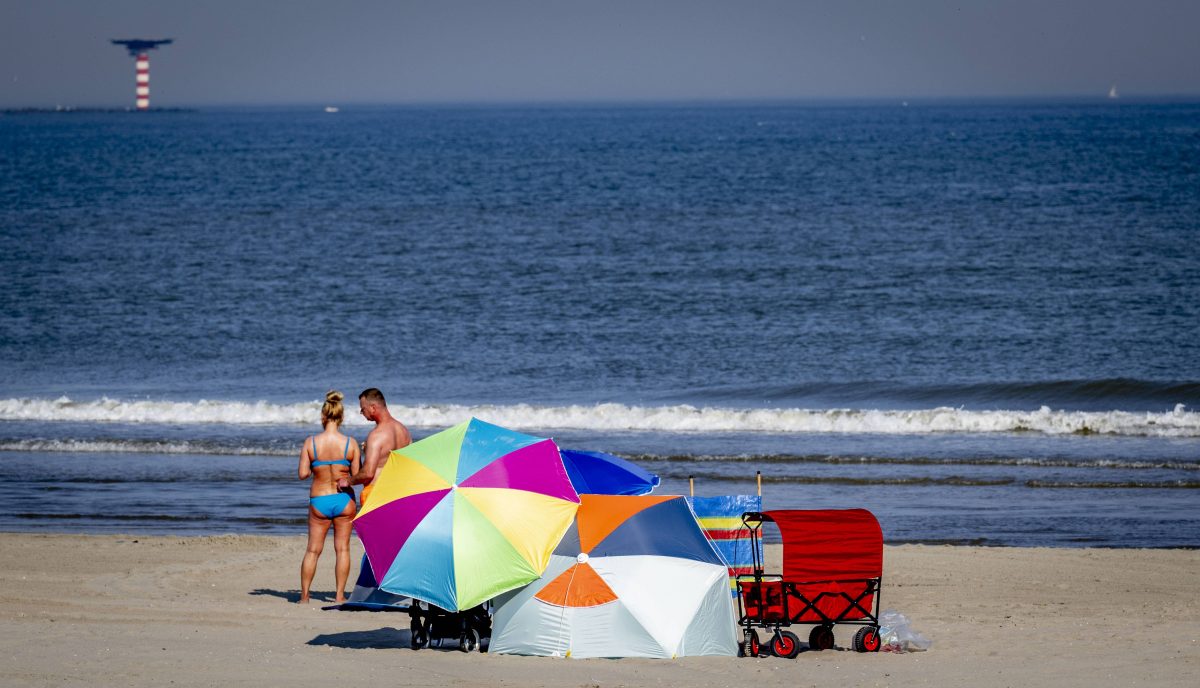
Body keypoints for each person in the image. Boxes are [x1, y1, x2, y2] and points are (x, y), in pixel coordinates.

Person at [297, 390, 361, 604]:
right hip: (344, 500)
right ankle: (339, 595)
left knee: (313, 550)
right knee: (342, 548)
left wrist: (318, 467)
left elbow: (302, 474)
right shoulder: (351, 443)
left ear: (323, 416)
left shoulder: (311, 442)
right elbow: (356, 475)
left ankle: (305, 597)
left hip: (319, 500)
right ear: (341, 417)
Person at [337, 387, 411, 508]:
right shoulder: (404, 431)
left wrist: (347, 481)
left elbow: (367, 473)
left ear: (372, 408)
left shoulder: (376, 436)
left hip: (376, 495)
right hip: (399, 494)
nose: (362, 413)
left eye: (363, 409)